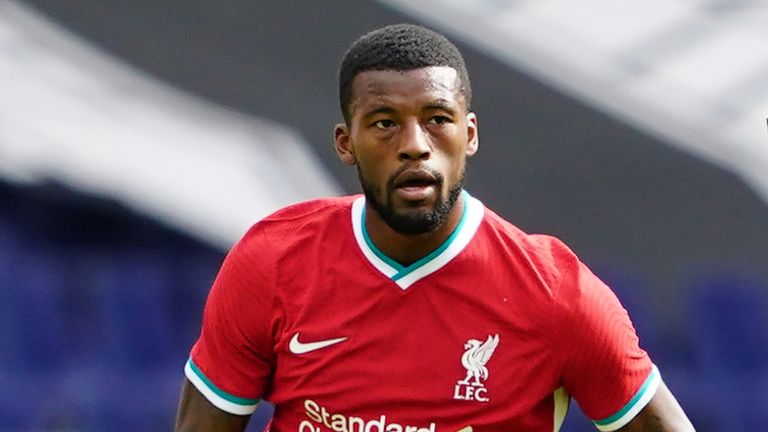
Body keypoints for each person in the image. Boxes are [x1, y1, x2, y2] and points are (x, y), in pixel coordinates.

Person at [174, 23, 694, 432]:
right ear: (344, 143)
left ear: (469, 135)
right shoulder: (272, 261)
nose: (415, 143)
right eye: (384, 123)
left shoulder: (556, 294)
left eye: (437, 118)